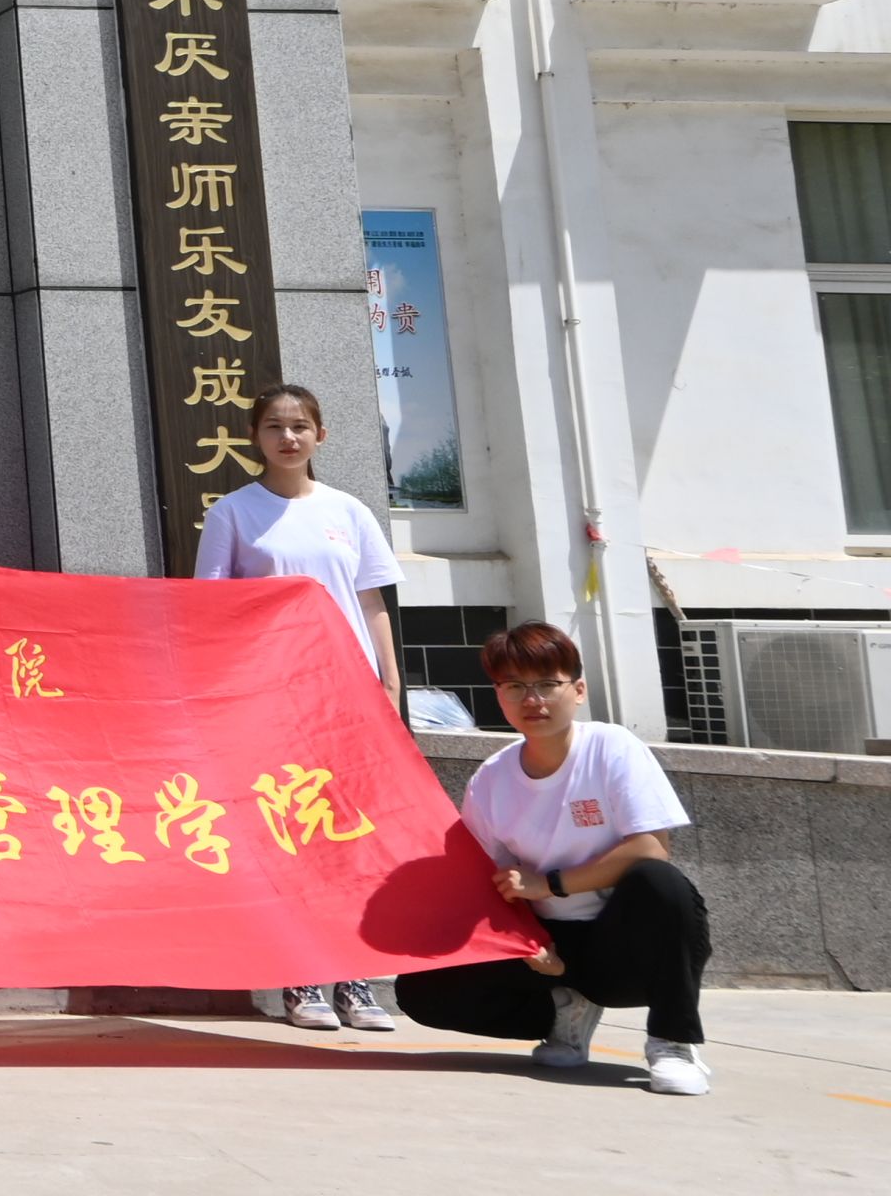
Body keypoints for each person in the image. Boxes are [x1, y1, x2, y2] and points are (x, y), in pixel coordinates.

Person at [396, 624, 713, 1096]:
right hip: (551, 946)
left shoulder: (611, 747)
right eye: (515, 686)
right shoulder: (491, 780)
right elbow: (489, 882)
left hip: (623, 944)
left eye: (547, 684)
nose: (533, 700)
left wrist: (550, 884)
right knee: (420, 990)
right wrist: (526, 942)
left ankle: (673, 1040)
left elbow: (651, 846)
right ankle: (564, 1012)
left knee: (659, 882)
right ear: (498, 695)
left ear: (578, 690)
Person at [193, 380, 410, 1034]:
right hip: (273, 697)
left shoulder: (350, 511)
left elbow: (371, 602)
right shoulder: (234, 514)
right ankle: (302, 976)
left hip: (346, 695)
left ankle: (355, 977)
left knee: (350, 835)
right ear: (254, 437)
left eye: (299, 426)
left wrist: (390, 685)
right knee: (290, 832)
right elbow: (212, 610)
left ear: (320, 435)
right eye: (274, 427)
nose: (287, 438)